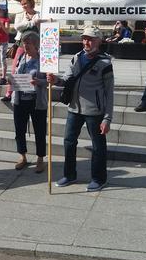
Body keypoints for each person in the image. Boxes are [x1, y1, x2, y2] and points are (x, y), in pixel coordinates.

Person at [46, 26, 114, 192]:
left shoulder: (105, 63)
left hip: (95, 111)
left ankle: (99, 179)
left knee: (98, 146)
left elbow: (109, 93)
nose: (86, 42)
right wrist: (56, 80)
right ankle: (69, 175)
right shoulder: (76, 58)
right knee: (69, 142)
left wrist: (107, 118)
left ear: (99, 40)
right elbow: (67, 80)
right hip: (74, 108)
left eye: (90, 39)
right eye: (84, 38)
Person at [12, 32, 47, 173]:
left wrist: (39, 82)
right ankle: (22, 156)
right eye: (24, 43)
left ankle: (40, 159)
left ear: (36, 45)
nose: (25, 46)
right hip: (20, 100)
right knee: (19, 130)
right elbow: (15, 75)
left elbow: (50, 80)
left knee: (40, 131)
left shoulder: (43, 60)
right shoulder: (21, 57)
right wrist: (12, 80)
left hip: (36, 101)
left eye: (28, 43)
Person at [2, 0, 41, 102]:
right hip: (21, 43)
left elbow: (41, 27)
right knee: (15, 68)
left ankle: (32, 90)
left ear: (31, 3)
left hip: (35, 45)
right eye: (22, 4)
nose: (23, 6)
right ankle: (9, 93)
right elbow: (17, 27)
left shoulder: (38, 14)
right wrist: (32, 22)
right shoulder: (20, 15)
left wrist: (36, 23)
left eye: (25, 3)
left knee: (34, 68)